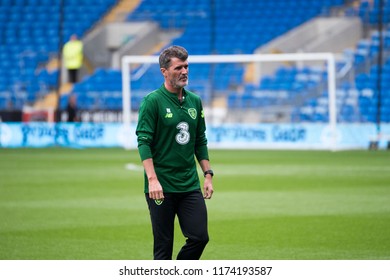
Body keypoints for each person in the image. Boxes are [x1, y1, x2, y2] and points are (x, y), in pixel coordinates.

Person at [136, 45, 214, 260]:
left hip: (189, 184)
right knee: (163, 248)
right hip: (161, 186)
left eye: (186, 66)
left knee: (200, 237)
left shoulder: (195, 101)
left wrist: (207, 174)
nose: (184, 71)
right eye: (179, 67)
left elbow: (200, 139)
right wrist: (152, 179)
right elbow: (143, 141)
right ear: (164, 71)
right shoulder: (152, 101)